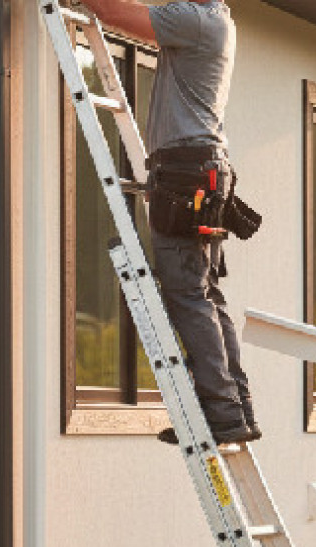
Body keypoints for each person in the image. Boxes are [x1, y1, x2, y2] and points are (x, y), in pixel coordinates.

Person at [76, 0, 258, 444]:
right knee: (206, 295)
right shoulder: (214, 19)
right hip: (201, 167)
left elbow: (113, 12)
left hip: (186, 169)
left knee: (188, 294)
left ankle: (220, 411)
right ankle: (233, 408)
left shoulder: (193, 20)